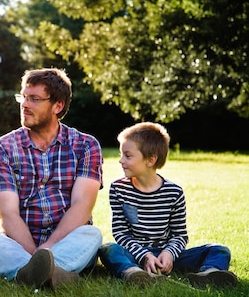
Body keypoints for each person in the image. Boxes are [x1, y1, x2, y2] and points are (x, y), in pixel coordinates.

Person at [0, 68, 104, 290]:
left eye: (34, 99)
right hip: (19, 243)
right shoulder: (3, 148)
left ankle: (29, 273)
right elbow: (7, 213)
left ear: (58, 106)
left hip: (67, 242)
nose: (24, 104)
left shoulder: (86, 145)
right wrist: (33, 252)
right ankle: (53, 274)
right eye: (23, 97)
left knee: (91, 233)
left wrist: (48, 250)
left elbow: (82, 206)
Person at [98, 122, 238, 287]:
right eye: (121, 154)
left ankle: (209, 274)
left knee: (219, 249)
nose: (121, 160)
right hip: (135, 254)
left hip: (167, 255)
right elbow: (121, 233)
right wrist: (145, 255)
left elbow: (179, 235)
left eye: (128, 156)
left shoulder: (174, 192)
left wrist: (169, 254)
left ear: (151, 159)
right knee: (108, 249)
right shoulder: (118, 189)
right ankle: (134, 273)